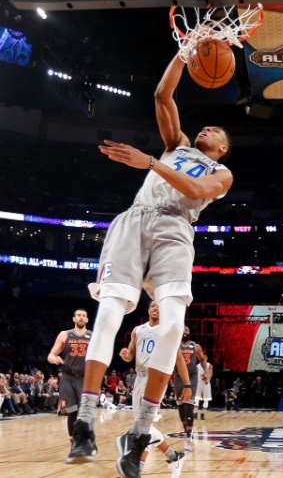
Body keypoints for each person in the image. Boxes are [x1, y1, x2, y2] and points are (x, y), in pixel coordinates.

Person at [67, 48, 233, 478]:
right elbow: (162, 95)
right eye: (206, 125)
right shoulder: (177, 143)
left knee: (173, 325)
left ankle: (141, 432)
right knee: (109, 312)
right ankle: (84, 420)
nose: (207, 127)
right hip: (134, 221)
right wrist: (183, 53)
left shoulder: (221, 174)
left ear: (222, 149)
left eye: (216, 130)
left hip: (176, 230)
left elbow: (196, 193)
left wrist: (151, 163)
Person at [119, 300, 188, 478]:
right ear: (148, 310)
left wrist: (186, 384)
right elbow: (131, 353)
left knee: (144, 424)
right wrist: (126, 355)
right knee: (142, 425)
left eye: (159, 306)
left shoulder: (167, 331)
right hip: (140, 378)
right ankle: (173, 457)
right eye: (152, 306)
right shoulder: (138, 330)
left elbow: (179, 359)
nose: (155, 308)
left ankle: (138, 468)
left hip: (156, 379)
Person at [48, 308, 92, 448]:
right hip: (68, 377)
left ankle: (86, 438)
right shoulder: (64, 334)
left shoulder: (93, 336)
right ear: (74, 319)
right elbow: (50, 355)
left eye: (83, 316)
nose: (81, 318)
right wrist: (54, 358)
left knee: (85, 411)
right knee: (71, 410)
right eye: (78, 315)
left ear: (87, 320)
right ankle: (74, 442)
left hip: (85, 377)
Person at [174, 326, 208, 452]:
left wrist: (206, 372)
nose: (184, 332)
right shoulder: (175, 345)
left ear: (189, 333)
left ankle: (188, 437)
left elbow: (203, 359)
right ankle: (187, 432)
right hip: (178, 377)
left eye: (187, 330)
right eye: (182, 330)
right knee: (181, 407)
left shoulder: (195, 346)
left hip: (192, 376)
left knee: (188, 405)